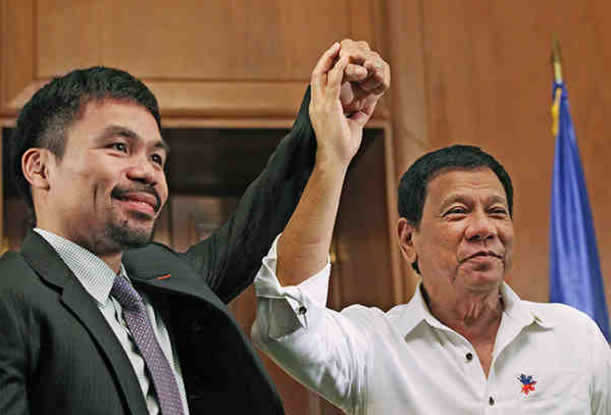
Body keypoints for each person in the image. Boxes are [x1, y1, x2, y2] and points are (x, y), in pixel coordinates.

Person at [0, 40, 390, 414]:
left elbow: (256, 223)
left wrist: (323, 121)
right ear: (40, 168)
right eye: (119, 147)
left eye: (156, 157)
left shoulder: (160, 277)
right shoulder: (11, 294)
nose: (148, 172)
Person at [252, 139, 611, 413]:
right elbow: (286, 321)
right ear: (409, 239)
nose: (484, 228)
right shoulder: (372, 346)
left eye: (497, 212)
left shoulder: (575, 337)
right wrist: (331, 160)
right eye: (458, 212)